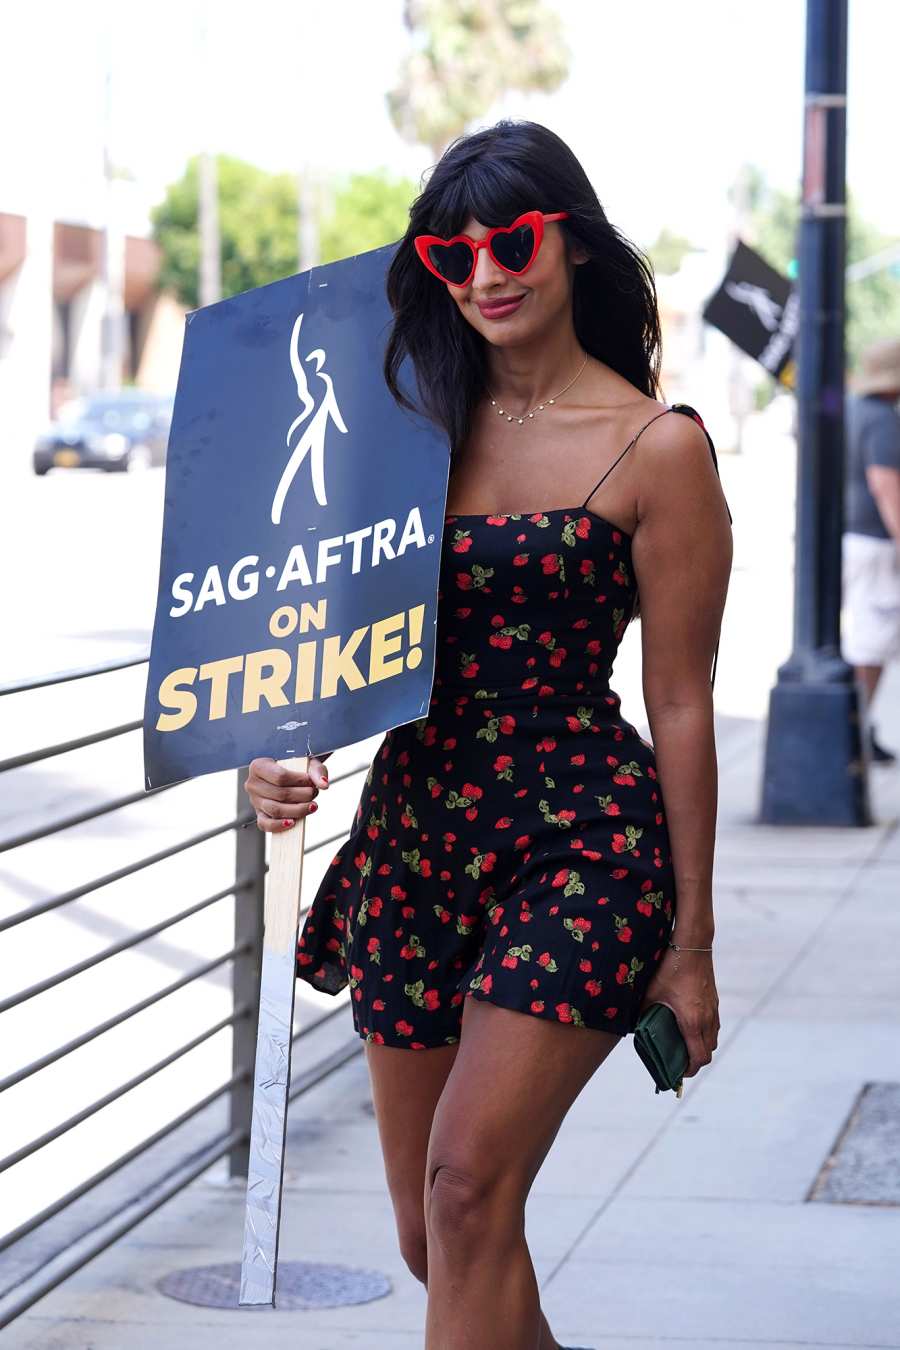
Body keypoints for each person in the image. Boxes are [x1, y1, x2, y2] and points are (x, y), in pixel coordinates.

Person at [243, 120, 733, 1350]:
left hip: (581, 847)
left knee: (467, 1189)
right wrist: (281, 749)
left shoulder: (656, 448)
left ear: (569, 242)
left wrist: (691, 941)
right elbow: (323, 637)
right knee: (434, 1230)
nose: (485, 273)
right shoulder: (403, 433)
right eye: (450, 254)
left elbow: (681, 701)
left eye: (511, 241)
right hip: (416, 838)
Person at [842, 336, 900, 764]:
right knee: (872, 639)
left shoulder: (851, 411)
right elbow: (886, 484)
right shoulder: (882, 419)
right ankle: (855, 730)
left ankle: (857, 728)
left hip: (853, 538)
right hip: (875, 542)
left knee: (868, 634)